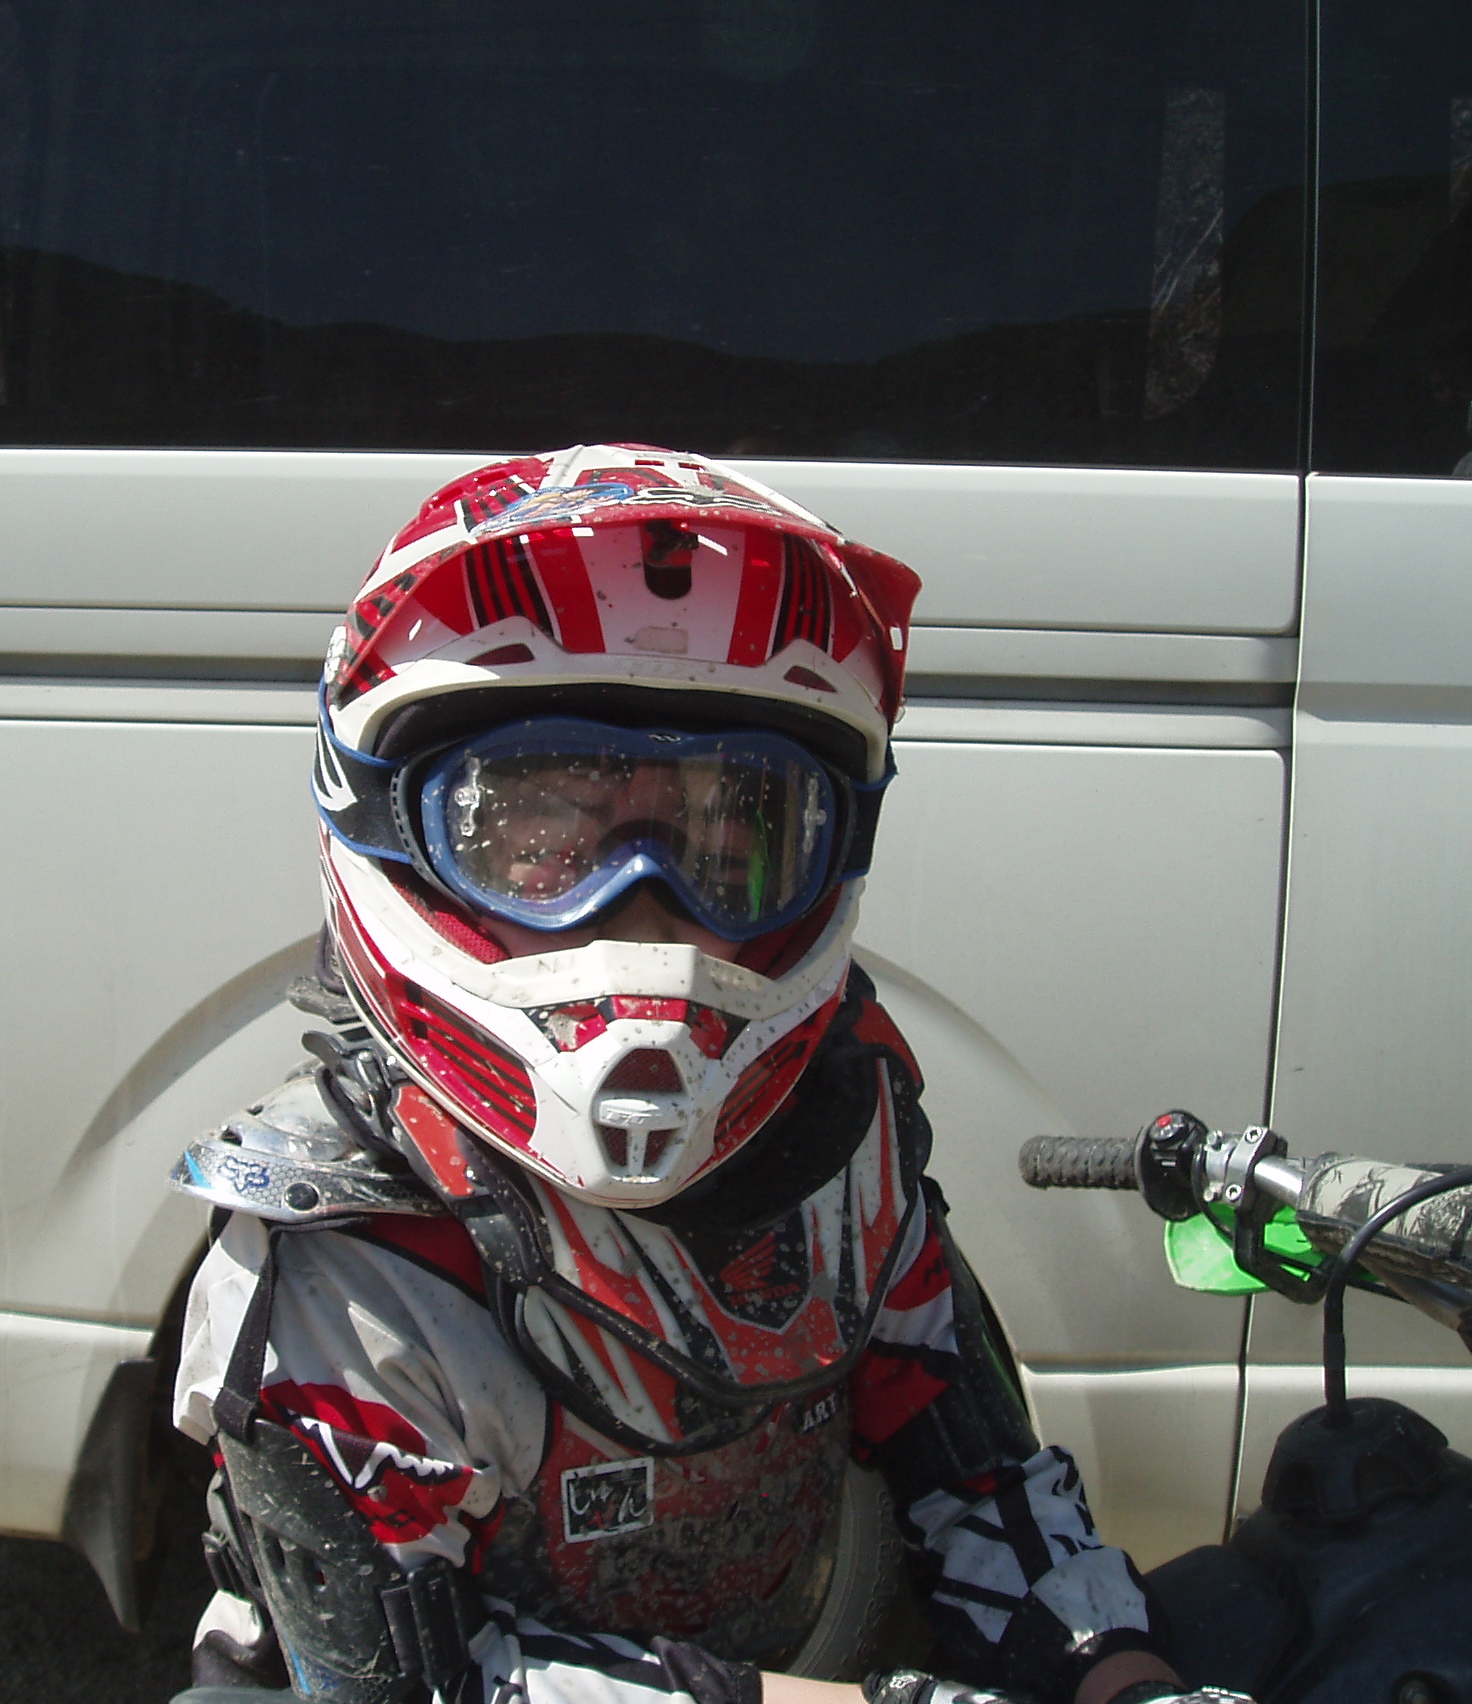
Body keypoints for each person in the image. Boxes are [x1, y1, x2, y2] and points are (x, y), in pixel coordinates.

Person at [167, 447, 1239, 1704]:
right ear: (394, 832)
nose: (649, 917)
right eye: (542, 834)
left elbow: (974, 1465)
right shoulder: (348, 1250)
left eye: (731, 842)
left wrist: (1118, 1672)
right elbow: (413, 1688)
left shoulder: (839, 1139)